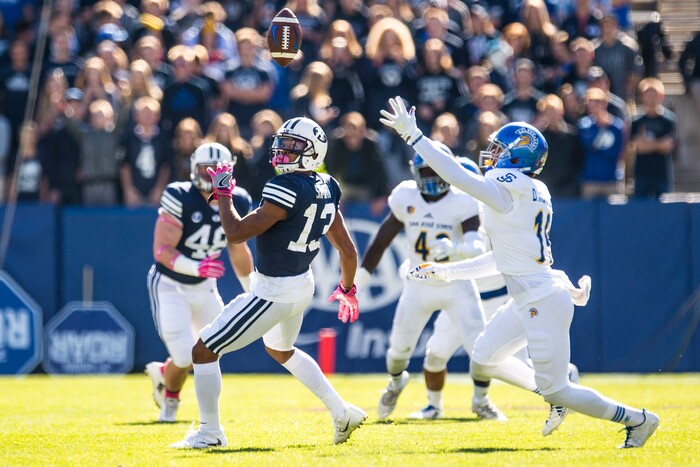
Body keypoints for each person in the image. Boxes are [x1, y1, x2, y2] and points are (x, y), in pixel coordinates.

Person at [379, 96, 659, 448]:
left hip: (541, 299)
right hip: (531, 294)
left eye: (498, 149)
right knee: (483, 357)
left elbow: (456, 175)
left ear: (516, 156)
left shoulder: (508, 187)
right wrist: (443, 272)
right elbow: (498, 260)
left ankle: (638, 419)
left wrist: (416, 137)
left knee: (559, 388)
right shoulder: (531, 189)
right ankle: (556, 395)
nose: (491, 155)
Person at [171, 117, 367, 449]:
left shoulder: (284, 187)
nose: (284, 150)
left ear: (313, 150)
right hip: (301, 286)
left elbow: (235, 233)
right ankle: (342, 411)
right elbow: (346, 249)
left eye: (294, 146)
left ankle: (210, 433)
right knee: (280, 349)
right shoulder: (328, 186)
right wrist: (347, 288)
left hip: (273, 291)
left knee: (203, 351)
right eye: (284, 143)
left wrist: (223, 193)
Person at [355, 149, 509, 421]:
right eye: (425, 171)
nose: (430, 177)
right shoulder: (406, 197)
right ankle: (395, 383)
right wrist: (359, 282)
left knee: (481, 350)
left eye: (436, 170)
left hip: (455, 284)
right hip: (418, 285)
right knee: (397, 352)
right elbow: (381, 241)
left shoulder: (462, 200)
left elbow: (476, 245)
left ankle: (481, 401)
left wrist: (455, 249)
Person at [144, 141, 254, 423]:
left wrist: (254, 291)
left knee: (212, 348)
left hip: (205, 287)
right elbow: (161, 250)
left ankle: (165, 374)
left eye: (219, 170)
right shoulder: (180, 195)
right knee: (184, 356)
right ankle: (169, 398)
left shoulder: (238, 199)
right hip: (170, 285)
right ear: (194, 169)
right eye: (207, 169)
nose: (212, 176)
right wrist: (196, 266)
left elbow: (238, 249)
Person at [630, 78, 677, 198]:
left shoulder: (669, 120)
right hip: (641, 174)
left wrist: (647, 143)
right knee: (640, 210)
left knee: (664, 212)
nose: (651, 98)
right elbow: (638, 147)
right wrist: (659, 144)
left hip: (662, 174)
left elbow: (667, 146)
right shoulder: (636, 121)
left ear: (661, 96)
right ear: (642, 96)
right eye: (648, 95)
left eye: (654, 95)